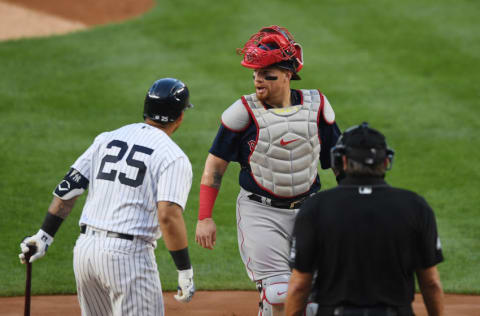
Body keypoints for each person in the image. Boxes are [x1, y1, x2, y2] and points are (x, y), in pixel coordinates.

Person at [195, 25, 341, 316]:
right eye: (255, 75)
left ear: (288, 75)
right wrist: (204, 217)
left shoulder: (317, 107)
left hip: (310, 211)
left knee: (313, 303)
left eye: (267, 75)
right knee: (278, 295)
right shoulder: (242, 112)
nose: (258, 81)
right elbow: (215, 166)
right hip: (260, 213)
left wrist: (353, 208)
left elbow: (338, 163)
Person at [19, 78, 196, 316]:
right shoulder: (173, 156)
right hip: (128, 258)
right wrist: (184, 269)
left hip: (85, 252)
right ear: (180, 116)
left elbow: (68, 188)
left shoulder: (107, 138)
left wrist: (44, 236)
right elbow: (168, 216)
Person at [286, 122, 445, 316]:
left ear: (342, 161)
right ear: (386, 162)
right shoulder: (416, 207)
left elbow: (299, 286)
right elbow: (431, 283)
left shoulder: (315, 208)